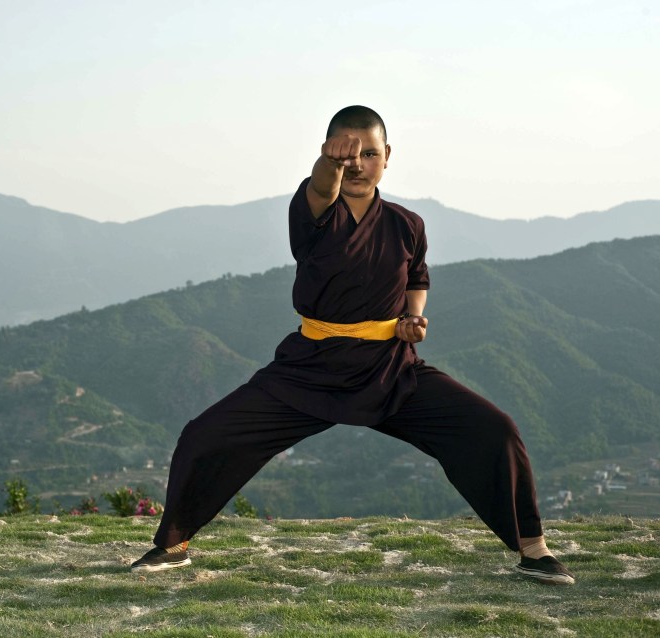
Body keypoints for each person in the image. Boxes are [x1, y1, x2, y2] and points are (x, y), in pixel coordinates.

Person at [129, 105, 575, 585]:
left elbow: (417, 277)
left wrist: (413, 317)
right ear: (326, 155)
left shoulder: (408, 223)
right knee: (205, 435)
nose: (357, 162)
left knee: (495, 430)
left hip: (389, 369)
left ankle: (534, 549)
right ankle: (173, 546)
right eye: (346, 154)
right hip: (311, 366)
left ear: (388, 157)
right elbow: (322, 186)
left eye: (369, 153)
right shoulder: (315, 212)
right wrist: (328, 166)